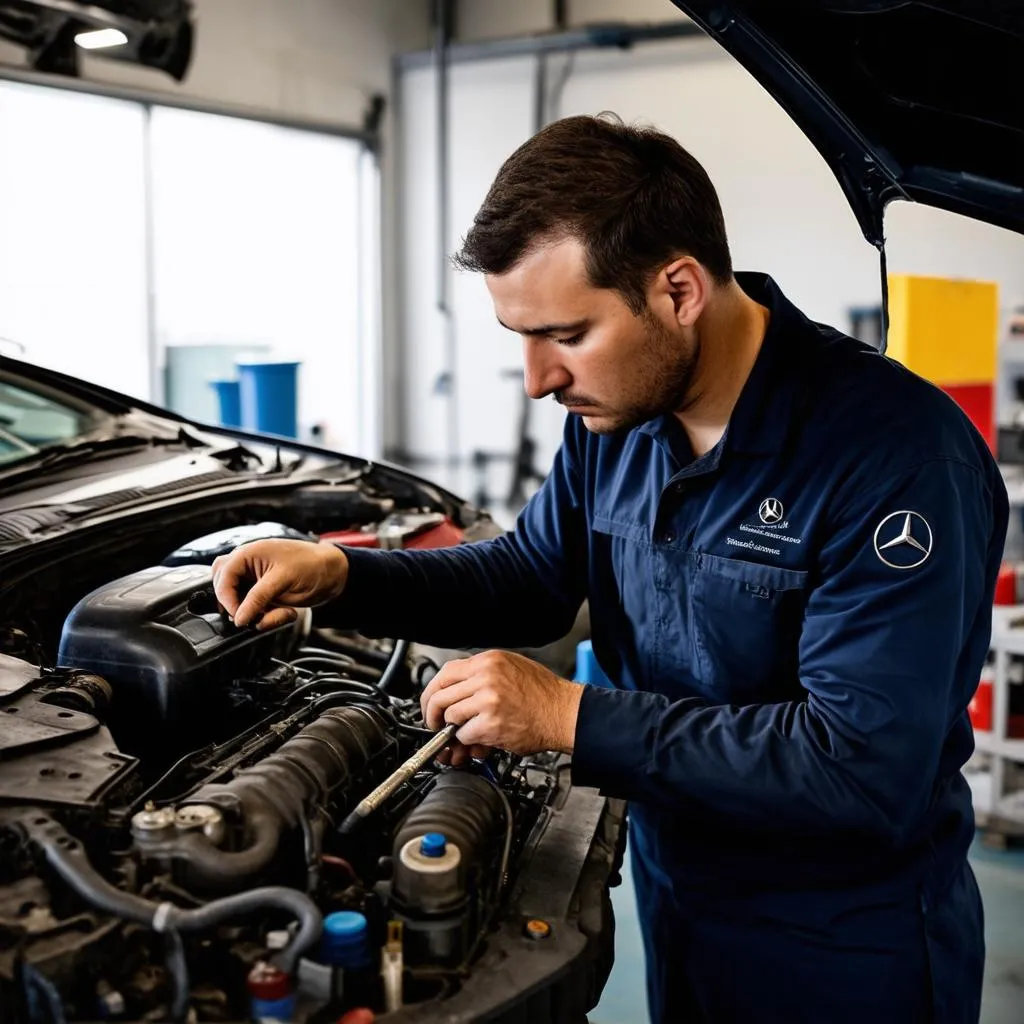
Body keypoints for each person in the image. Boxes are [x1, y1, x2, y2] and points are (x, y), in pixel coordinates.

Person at [212, 114, 1008, 1023]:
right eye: (521, 337)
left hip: (845, 940)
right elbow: (531, 576)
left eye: (566, 334)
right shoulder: (616, 422)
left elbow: (858, 765)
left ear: (677, 290)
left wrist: (565, 715)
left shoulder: (895, 456)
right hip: (682, 888)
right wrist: (346, 577)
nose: (538, 379)